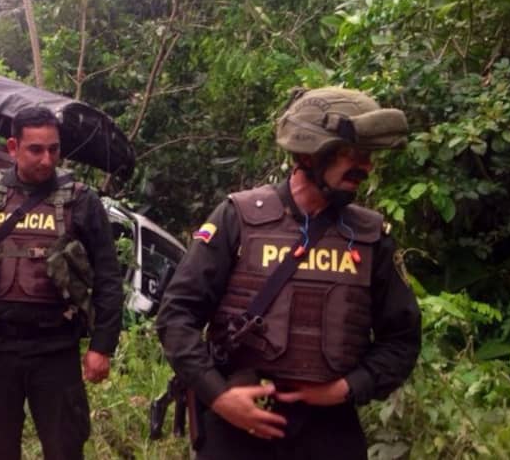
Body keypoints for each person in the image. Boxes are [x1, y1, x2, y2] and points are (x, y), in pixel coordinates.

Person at [156, 86, 422, 459]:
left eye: (369, 156)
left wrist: (346, 388)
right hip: (236, 423)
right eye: (353, 154)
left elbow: (402, 338)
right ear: (309, 154)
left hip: (329, 432)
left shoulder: (370, 237)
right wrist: (218, 395)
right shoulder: (238, 218)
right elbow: (176, 316)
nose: (367, 167)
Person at [0, 106, 124, 460]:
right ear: (13, 147)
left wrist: (102, 346)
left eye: (54, 149)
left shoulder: (81, 200)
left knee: (65, 451)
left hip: (56, 351)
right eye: (36, 150)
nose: (47, 159)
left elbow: (108, 278)